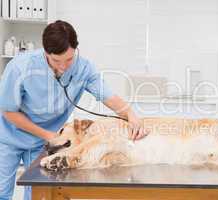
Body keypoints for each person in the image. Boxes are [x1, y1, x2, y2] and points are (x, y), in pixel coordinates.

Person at [0, 20, 147, 200]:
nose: (63, 66)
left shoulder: (84, 69)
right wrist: (48, 135)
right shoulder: (19, 66)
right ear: (45, 52)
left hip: (45, 143)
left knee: (39, 195)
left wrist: (131, 115)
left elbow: (109, 96)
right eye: (56, 61)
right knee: (2, 192)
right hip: (9, 137)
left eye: (69, 59)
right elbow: (8, 111)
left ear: (76, 49)